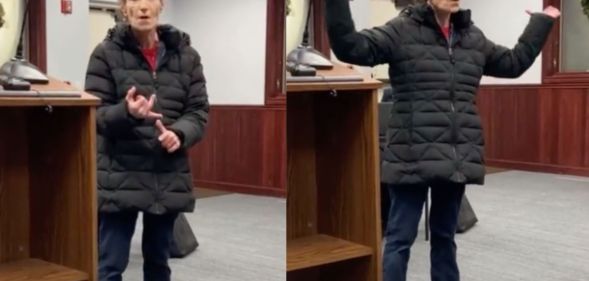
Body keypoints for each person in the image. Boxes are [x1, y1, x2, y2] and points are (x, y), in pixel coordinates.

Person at [324, 0, 559, 280]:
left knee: (445, 237)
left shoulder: (473, 37)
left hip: (455, 156)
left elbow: (513, 63)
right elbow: (349, 46)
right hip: (411, 155)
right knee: (400, 238)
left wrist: (541, 22)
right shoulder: (401, 30)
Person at [84, 0, 209, 280]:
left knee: (158, 264)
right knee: (110, 266)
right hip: (119, 175)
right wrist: (126, 113)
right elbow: (95, 115)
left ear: (161, 5)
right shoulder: (105, 54)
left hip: (166, 174)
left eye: (149, 0)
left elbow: (198, 111)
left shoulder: (187, 56)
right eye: (134, 1)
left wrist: (179, 133)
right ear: (123, 8)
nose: (142, 7)